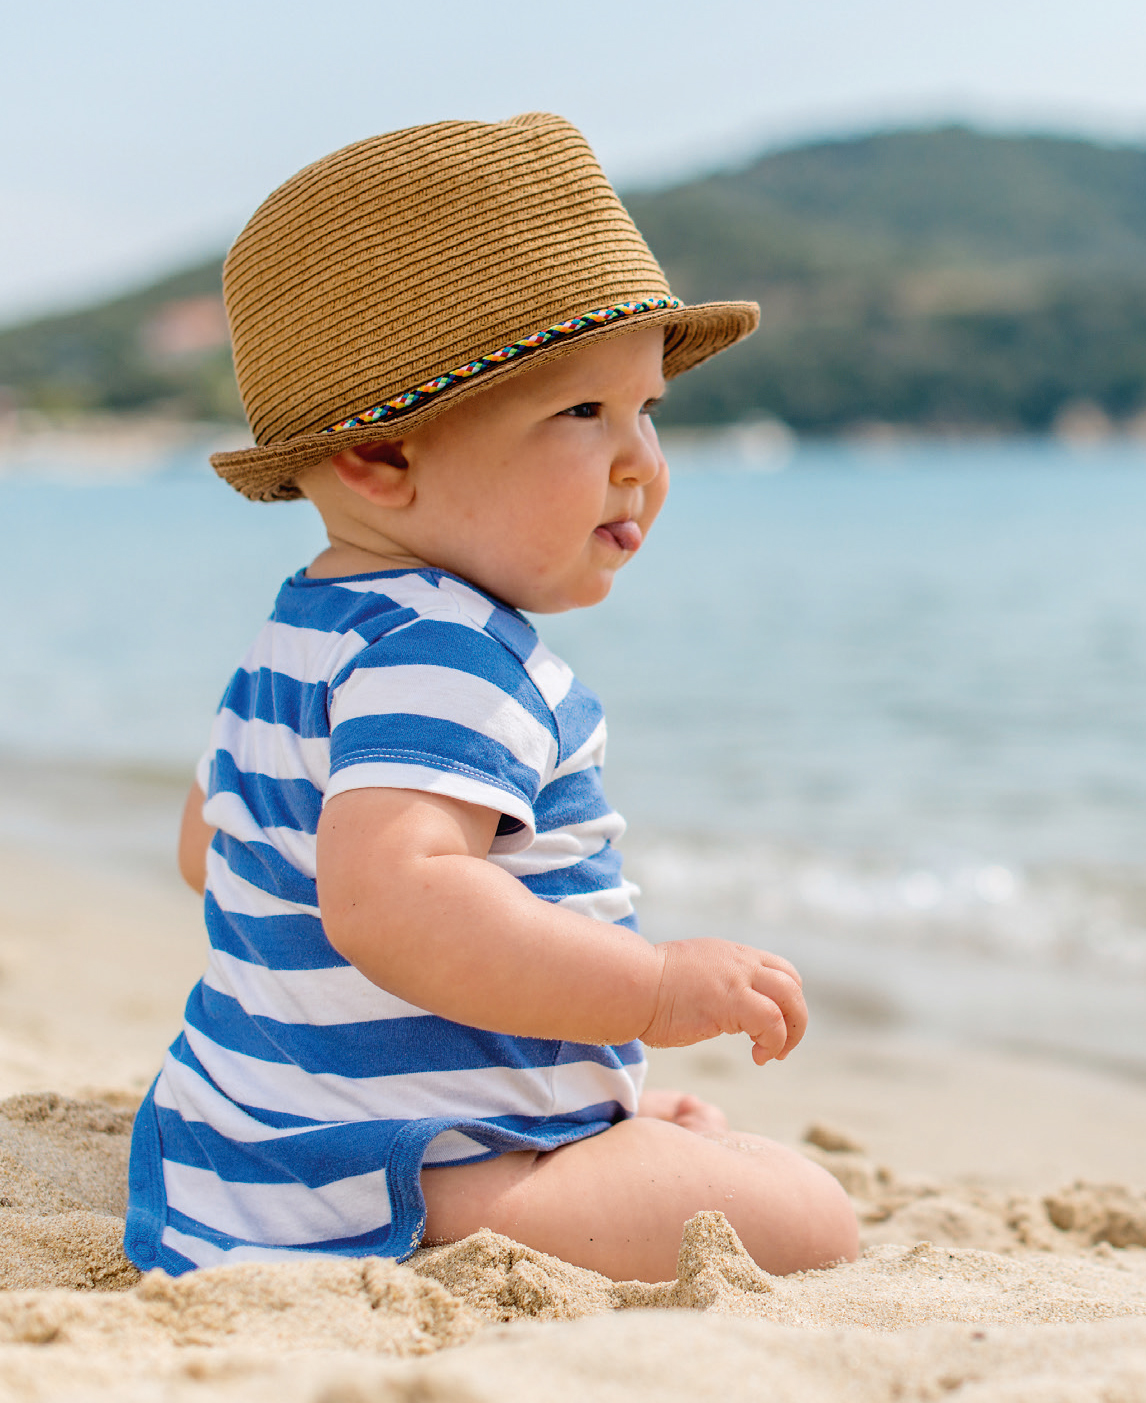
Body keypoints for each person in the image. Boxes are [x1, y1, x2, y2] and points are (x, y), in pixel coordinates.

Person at [122, 113, 859, 1283]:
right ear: (382, 458)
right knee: (811, 1218)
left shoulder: (303, 633)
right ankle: (479, 1196)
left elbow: (208, 851)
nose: (641, 460)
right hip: (384, 1162)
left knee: (708, 1168)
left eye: (648, 410)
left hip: (253, 1126)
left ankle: (563, 1127)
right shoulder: (450, 652)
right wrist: (654, 990)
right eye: (584, 413)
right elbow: (390, 901)